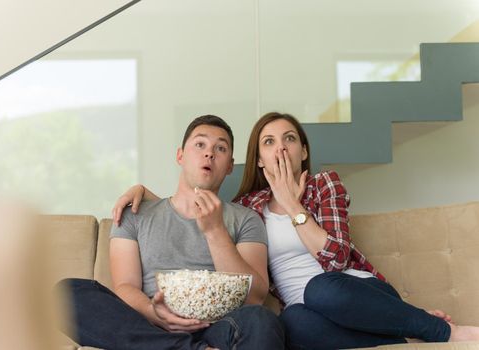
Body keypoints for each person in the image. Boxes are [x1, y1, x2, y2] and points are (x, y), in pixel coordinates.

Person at [113, 112, 479, 349]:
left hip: (352, 290)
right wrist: (144, 192)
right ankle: (403, 335)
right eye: (269, 142)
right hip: (308, 311)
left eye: (289, 139)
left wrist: (292, 205)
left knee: (320, 288)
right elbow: (189, 203)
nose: (281, 148)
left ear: (303, 151)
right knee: (292, 324)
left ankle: (444, 332)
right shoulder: (250, 206)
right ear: (258, 159)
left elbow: (335, 259)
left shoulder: (324, 186)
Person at [57, 115, 285, 350]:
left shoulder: (245, 219)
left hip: (219, 326)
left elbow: (255, 296)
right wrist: (154, 313)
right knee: (65, 293)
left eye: (221, 148)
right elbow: (125, 285)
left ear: (229, 166)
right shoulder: (135, 213)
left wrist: (215, 231)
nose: (209, 153)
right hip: (148, 325)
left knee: (261, 320)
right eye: (200, 144)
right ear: (180, 156)